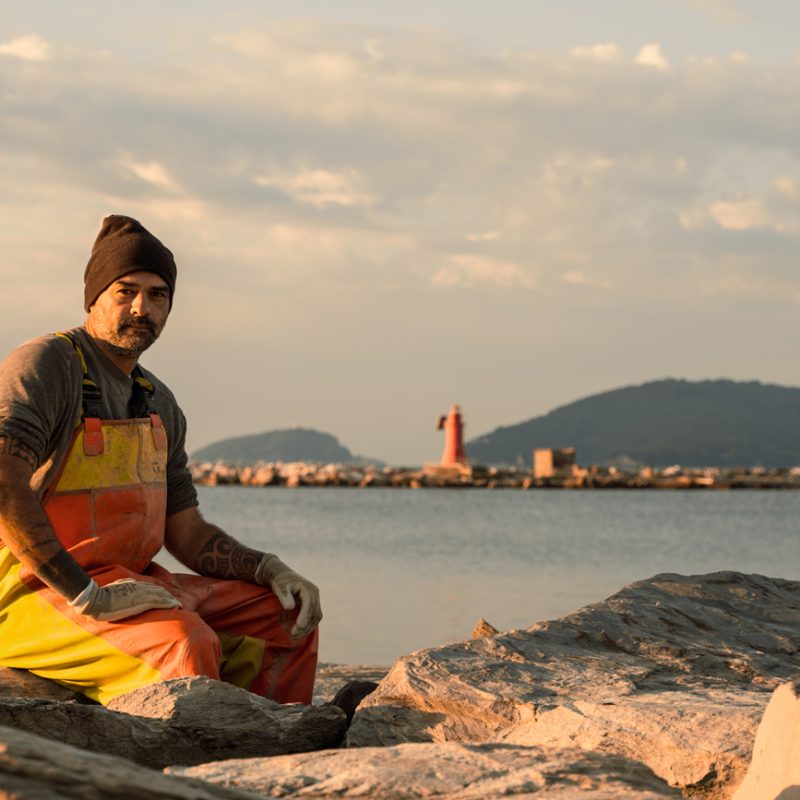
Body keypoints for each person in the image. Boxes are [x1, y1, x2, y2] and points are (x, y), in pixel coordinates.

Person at [0, 215, 321, 706]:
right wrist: (89, 595)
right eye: (125, 291)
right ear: (94, 297)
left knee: (286, 618)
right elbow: (4, 486)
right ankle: (186, 775)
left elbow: (186, 533)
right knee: (184, 642)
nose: (140, 308)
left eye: (157, 295)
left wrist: (271, 569)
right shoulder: (48, 365)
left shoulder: (159, 402)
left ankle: (272, 753)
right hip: (36, 595)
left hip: (132, 585)